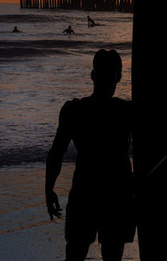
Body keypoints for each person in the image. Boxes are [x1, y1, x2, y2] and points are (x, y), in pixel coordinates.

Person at [46, 49, 135, 261]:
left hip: (89, 191)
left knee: (76, 254)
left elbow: (56, 153)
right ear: (119, 77)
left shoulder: (75, 110)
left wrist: (49, 189)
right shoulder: (127, 112)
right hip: (115, 193)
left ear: (92, 75)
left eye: (108, 75)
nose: (106, 81)